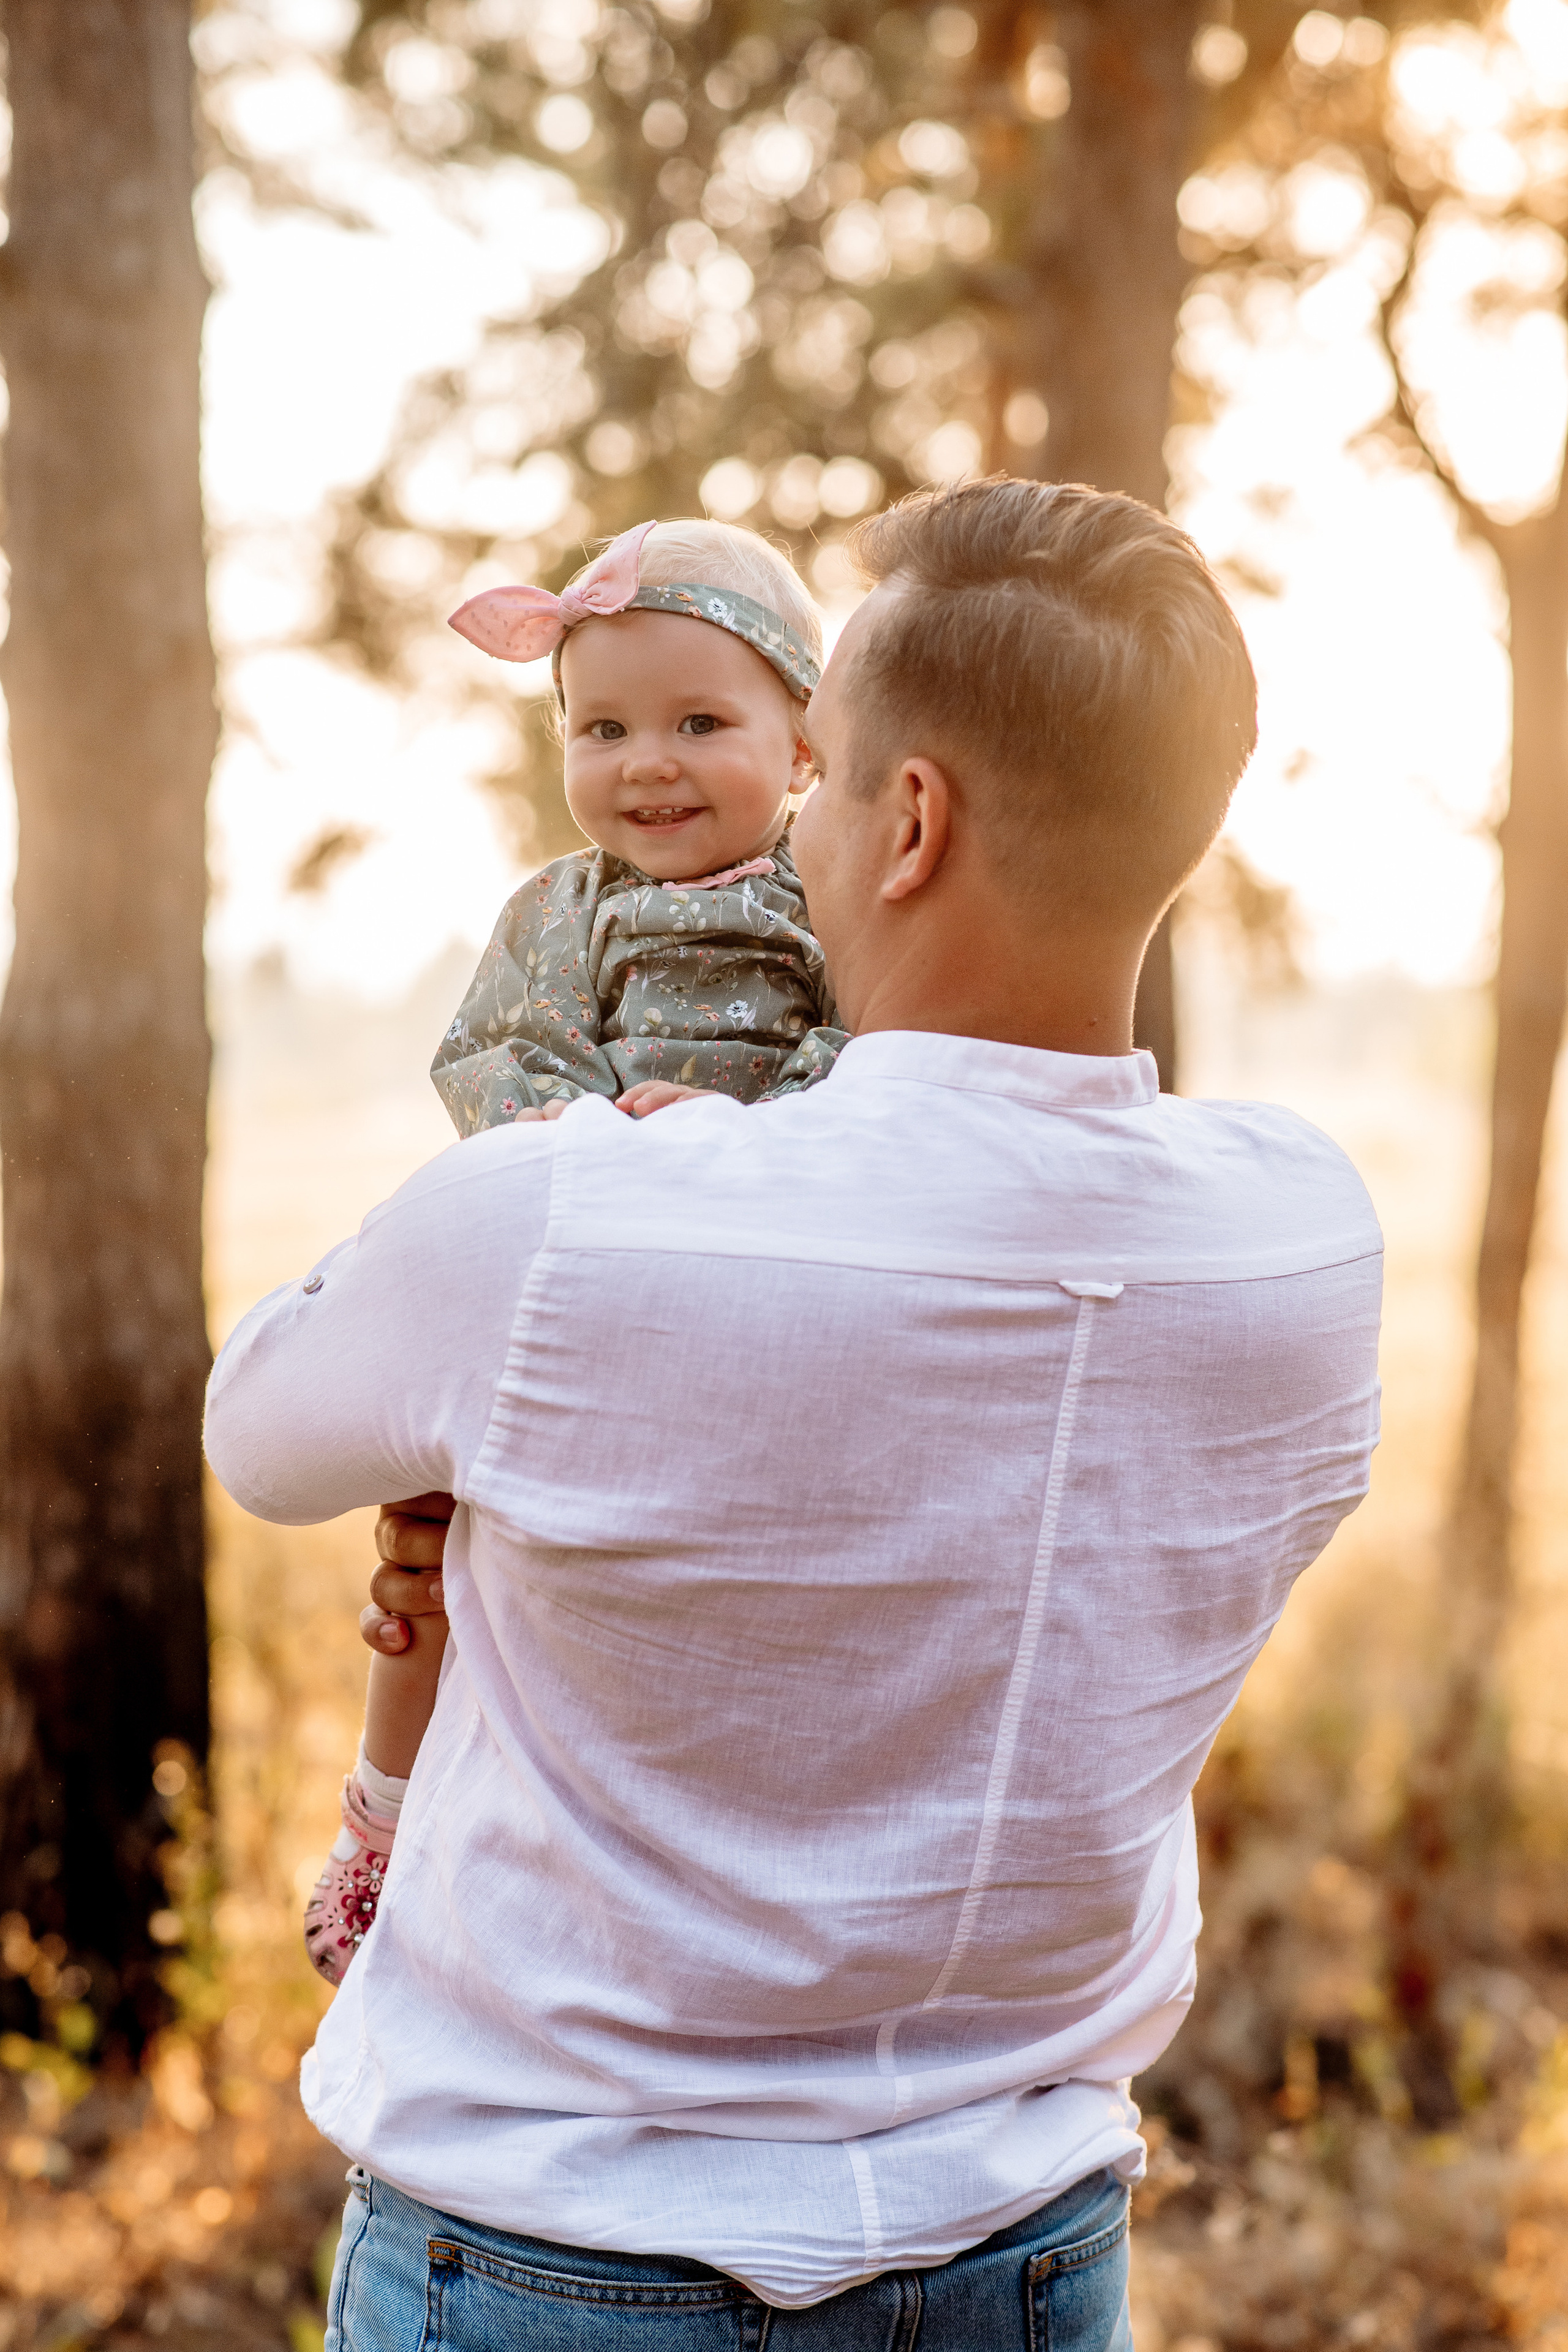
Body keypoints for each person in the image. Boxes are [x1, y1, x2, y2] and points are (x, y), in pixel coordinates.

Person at [204, 477, 1383, 2350]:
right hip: (1030, 2254)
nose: (788, 823)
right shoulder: (1304, 1237)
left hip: (554, 2256)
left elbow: (260, 1429)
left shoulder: (568, 1217)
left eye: (814, 770)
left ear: (909, 823)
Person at [303, 518, 848, 1985]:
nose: (645, 764)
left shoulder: (828, 891)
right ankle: (388, 1812)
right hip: (568, 1250)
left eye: (698, 723)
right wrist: (577, 1123)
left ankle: (681, 1839)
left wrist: (748, 1129)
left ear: (807, 741)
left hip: (754, 1265)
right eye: (601, 728)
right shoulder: (557, 909)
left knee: (677, 1562)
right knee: (441, 1527)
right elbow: (493, 1049)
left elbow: (864, 1044)